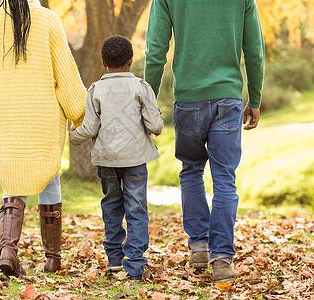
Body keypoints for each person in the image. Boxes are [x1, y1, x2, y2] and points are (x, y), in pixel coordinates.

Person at [144, 0, 265, 282]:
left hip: (188, 99)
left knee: (191, 170)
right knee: (225, 178)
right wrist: (255, 97)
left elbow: (156, 51)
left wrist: (148, 100)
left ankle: (199, 247)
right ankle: (221, 259)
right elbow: (255, 51)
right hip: (228, 97)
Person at [0, 0, 86, 278]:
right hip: (43, 114)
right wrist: (78, 112)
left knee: (12, 177)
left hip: (5, 115)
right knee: (50, 176)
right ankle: (53, 259)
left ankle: (8, 250)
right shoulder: (49, 20)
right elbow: (65, 74)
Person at [69, 35, 164, 280]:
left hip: (107, 160)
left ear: (103, 62)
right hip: (135, 159)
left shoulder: (96, 90)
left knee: (111, 204)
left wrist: (70, 136)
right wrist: (158, 118)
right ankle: (135, 263)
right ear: (131, 61)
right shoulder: (142, 88)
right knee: (136, 208)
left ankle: (114, 259)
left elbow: (89, 128)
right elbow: (155, 126)